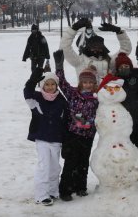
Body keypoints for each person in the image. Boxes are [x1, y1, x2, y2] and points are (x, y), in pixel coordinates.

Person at [52, 50, 99, 202]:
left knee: (83, 162)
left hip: (88, 135)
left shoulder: (97, 98)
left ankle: (81, 187)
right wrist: (59, 66)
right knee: (71, 161)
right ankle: (65, 189)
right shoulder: (73, 93)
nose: (88, 85)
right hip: (73, 134)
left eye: (91, 82)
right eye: (85, 82)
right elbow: (61, 82)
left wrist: (89, 122)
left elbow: (100, 115)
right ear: (80, 82)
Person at [23, 68, 69, 206]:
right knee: (44, 166)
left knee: (55, 167)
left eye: (53, 84)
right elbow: (27, 93)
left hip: (56, 139)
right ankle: (41, 195)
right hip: (42, 138)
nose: (50, 87)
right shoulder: (36, 98)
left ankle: (53, 191)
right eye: (47, 84)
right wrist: (32, 80)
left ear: (56, 85)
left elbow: (67, 119)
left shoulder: (61, 101)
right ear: (42, 85)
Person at [114, 53, 138, 195]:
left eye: (127, 66)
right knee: (125, 153)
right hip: (123, 125)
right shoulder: (115, 82)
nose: (125, 68)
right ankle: (128, 179)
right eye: (121, 66)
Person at [60, 17, 132, 83]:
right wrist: (73, 29)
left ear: (103, 48)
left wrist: (119, 31)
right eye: (93, 47)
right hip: (85, 96)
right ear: (88, 48)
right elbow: (65, 48)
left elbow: (125, 49)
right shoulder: (80, 61)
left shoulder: (110, 61)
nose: (96, 50)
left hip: (108, 95)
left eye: (99, 47)